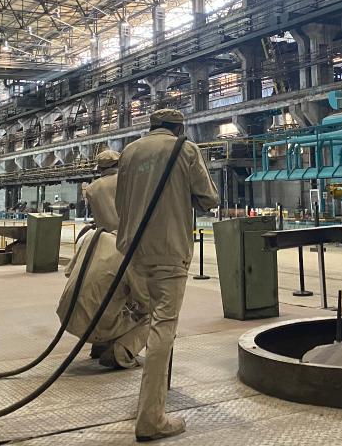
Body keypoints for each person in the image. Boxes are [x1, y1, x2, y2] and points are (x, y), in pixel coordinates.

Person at [115, 108, 219, 442]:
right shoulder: (185, 149)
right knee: (163, 327)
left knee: (144, 318)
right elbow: (209, 199)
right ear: (178, 128)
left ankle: (147, 400)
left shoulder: (130, 151)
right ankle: (151, 418)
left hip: (132, 252)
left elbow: (120, 204)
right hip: (168, 251)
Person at [57, 226, 148, 370]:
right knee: (156, 316)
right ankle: (120, 352)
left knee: (109, 298)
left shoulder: (93, 236)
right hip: (92, 326)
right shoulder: (132, 256)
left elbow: (69, 272)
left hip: (66, 316)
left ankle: (101, 346)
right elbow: (146, 304)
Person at [83, 149, 121, 233]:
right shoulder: (127, 179)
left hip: (104, 236)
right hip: (131, 236)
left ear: (99, 168)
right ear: (119, 164)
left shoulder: (90, 189)